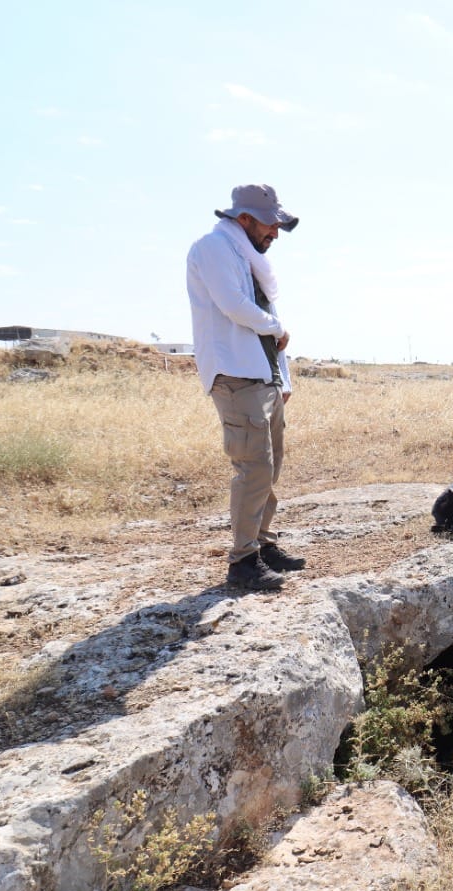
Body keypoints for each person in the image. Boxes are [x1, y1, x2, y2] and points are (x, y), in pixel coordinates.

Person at [186, 183, 304, 591]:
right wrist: (277, 328)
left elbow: (268, 319)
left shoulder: (249, 256)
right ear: (245, 219)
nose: (274, 234)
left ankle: (263, 544)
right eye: (270, 226)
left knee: (269, 468)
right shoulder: (213, 248)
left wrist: (282, 376)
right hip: (237, 374)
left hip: (263, 375)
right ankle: (243, 562)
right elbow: (235, 306)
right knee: (253, 469)